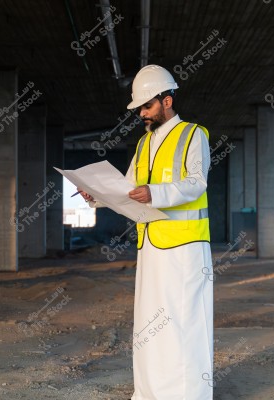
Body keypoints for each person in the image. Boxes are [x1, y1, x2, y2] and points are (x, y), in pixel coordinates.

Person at [79, 64, 213, 400]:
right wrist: (96, 196)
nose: (142, 113)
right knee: (150, 326)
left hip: (185, 248)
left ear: (167, 100)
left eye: (147, 106)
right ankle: (150, 394)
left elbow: (196, 183)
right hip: (151, 245)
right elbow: (126, 189)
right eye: (139, 108)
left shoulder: (194, 134)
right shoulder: (142, 145)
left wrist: (157, 192)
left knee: (185, 324)